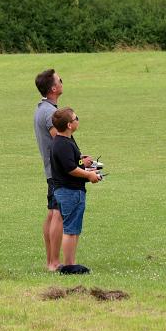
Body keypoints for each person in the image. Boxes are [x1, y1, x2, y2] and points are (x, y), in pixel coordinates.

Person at [49, 107, 100, 274]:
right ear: (70, 125)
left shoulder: (65, 141)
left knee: (74, 228)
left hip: (71, 191)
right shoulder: (63, 144)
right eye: (76, 118)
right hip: (70, 192)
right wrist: (89, 175)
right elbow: (71, 169)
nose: (78, 119)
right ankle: (69, 266)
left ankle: (71, 263)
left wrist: (83, 163)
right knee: (71, 230)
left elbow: (71, 163)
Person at [33, 69, 64, 272]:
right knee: (57, 214)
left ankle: (50, 260)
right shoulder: (50, 113)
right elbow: (59, 142)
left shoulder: (42, 108)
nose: (62, 82)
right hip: (58, 171)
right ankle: (54, 262)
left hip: (51, 170)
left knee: (52, 214)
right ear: (53, 88)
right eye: (60, 80)